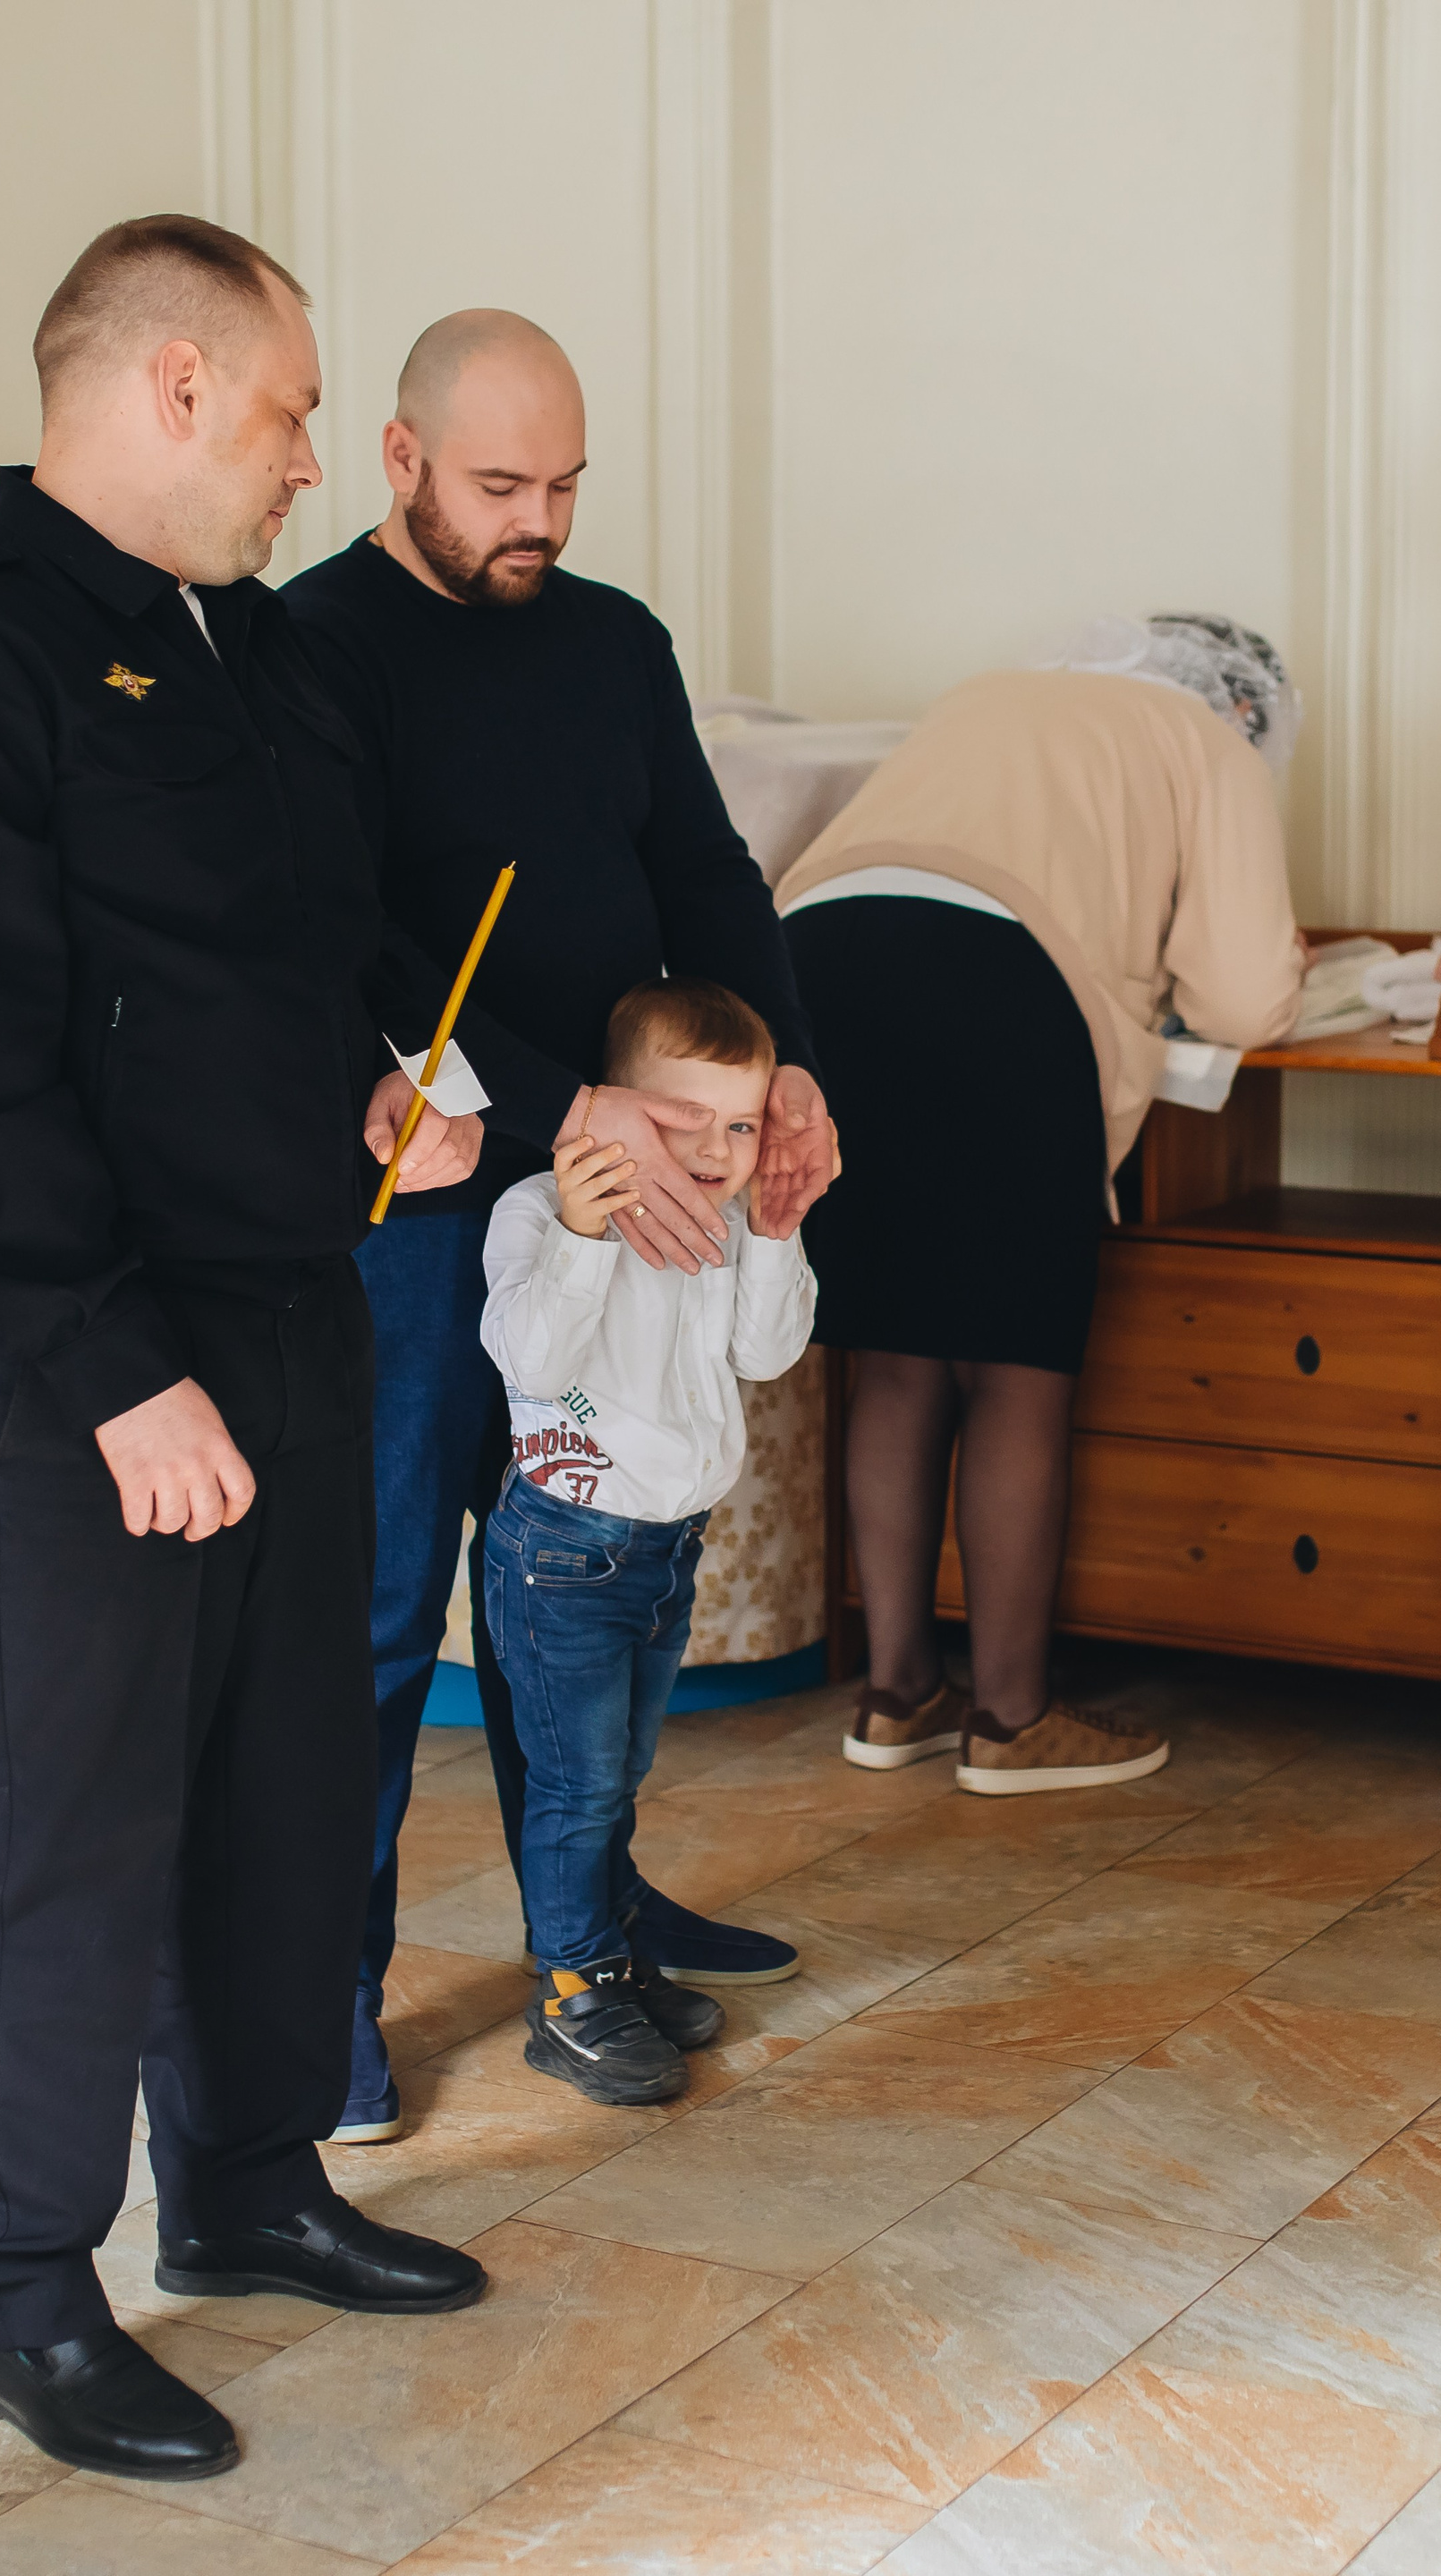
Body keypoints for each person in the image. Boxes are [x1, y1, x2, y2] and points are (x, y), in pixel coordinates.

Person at [0, 215, 491, 2487]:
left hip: (292, 1299)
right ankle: (25, 2296)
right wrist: (119, 1376)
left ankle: (251, 2184)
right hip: (79, 1352)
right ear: (174, 385)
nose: (309, 462)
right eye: (292, 414)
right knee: (72, 1822)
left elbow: (292, 958)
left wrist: (380, 1080)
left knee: (281, 1781)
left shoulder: (259, 654)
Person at [283, 310, 836, 2141]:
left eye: (568, 484)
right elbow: (350, 936)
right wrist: (562, 1107)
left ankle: (586, 1932)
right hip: (429, 1196)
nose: (540, 520)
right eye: (501, 484)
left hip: (625, 1177)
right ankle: (326, 2003)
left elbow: (704, 872)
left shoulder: (613, 641)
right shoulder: (312, 644)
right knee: (384, 1612)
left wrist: (789, 1072)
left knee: (584, 1580)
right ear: (400, 459)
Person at [777, 614, 1306, 1794]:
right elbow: (1245, 995)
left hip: (815, 959)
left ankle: (898, 1693)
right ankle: (1014, 1718)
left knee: (897, 1358)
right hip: (996, 980)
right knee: (1015, 1367)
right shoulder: (1207, 739)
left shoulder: (994, 692)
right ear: (1249, 709)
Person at [479, 980, 817, 2104]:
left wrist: (775, 1233)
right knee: (576, 1787)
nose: (718, 1152)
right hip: (564, 1555)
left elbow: (766, 1355)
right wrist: (584, 1236)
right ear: (617, 1105)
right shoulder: (539, 1211)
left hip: (667, 1552)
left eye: (742, 1125)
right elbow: (531, 1361)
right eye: (688, 1122)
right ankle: (571, 1997)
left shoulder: (727, 1220)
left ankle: (612, 1961)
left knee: (616, 1778)